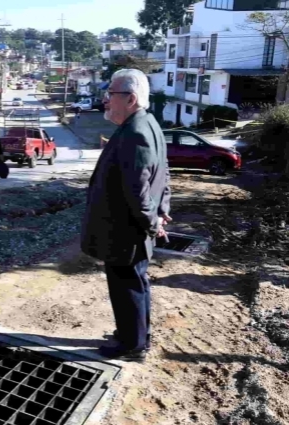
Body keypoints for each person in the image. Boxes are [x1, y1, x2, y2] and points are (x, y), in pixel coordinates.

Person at [80, 69, 171, 363]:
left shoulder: (135, 132)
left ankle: (131, 345)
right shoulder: (146, 123)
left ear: (130, 99)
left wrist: (154, 221)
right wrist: (163, 209)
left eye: (111, 95)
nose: (106, 100)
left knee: (126, 287)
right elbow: (163, 173)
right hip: (131, 229)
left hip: (124, 231)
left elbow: (138, 190)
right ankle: (137, 335)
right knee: (137, 283)